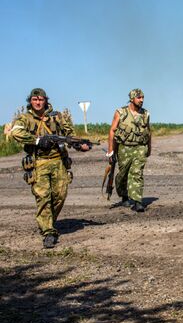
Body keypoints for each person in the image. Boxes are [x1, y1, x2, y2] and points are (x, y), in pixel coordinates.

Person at [10, 88, 90, 248]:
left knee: (60, 195)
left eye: (41, 99)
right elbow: (15, 133)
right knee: (43, 197)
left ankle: (48, 221)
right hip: (39, 162)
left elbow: (69, 134)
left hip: (58, 161)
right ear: (30, 101)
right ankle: (48, 232)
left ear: (46, 100)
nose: (38, 102)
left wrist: (80, 144)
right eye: (34, 100)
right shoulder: (24, 118)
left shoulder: (57, 116)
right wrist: (37, 141)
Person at [107, 88, 151, 212]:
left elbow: (149, 131)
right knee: (123, 175)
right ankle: (124, 195)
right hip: (124, 148)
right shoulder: (120, 112)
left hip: (140, 147)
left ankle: (137, 201)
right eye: (139, 97)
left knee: (137, 173)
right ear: (132, 99)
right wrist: (111, 150)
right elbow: (112, 131)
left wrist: (149, 148)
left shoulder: (145, 114)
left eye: (143, 97)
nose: (142, 100)